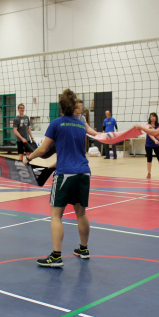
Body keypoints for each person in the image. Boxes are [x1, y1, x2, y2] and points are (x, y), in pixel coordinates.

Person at [24, 89, 91, 268]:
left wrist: (28, 158)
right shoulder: (81, 125)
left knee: (56, 215)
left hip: (66, 174)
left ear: (61, 107)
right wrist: (55, 163)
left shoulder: (56, 123)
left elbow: (44, 149)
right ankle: (83, 249)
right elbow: (75, 150)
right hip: (83, 172)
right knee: (81, 213)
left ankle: (56, 256)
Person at [145, 112, 159, 179]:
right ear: (150, 118)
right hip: (149, 144)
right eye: (151, 117)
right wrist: (154, 140)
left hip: (157, 145)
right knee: (149, 159)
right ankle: (149, 173)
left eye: (154, 116)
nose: (152, 118)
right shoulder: (148, 125)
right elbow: (150, 134)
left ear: (156, 117)